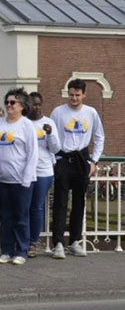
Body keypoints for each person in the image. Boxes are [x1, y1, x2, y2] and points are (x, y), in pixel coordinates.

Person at [50, 78, 105, 259]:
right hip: (64, 159)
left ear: (84, 95)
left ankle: (75, 241)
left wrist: (94, 161)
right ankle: (58, 241)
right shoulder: (58, 112)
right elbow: (51, 136)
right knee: (60, 201)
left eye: (77, 95)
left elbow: (99, 137)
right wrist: (54, 159)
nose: (74, 98)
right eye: (71, 95)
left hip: (82, 159)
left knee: (79, 202)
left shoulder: (91, 112)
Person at [0, 88, 38, 265]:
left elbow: (32, 153)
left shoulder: (27, 125)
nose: (9, 105)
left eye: (12, 102)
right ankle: (6, 250)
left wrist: (27, 177)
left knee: (21, 216)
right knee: (5, 217)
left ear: (22, 106)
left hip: (20, 180)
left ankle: (21, 250)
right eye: (7, 102)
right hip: (0, 178)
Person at [27, 92, 60, 258]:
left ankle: (33, 241)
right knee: (23, 206)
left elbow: (55, 148)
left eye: (39, 104)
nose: (37, 107)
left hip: (43, 171)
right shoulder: (23, 122)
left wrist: (50, 134)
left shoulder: (48, 122)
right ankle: (22, 240)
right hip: (25, 171)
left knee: (37, 207)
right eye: (34, 104)